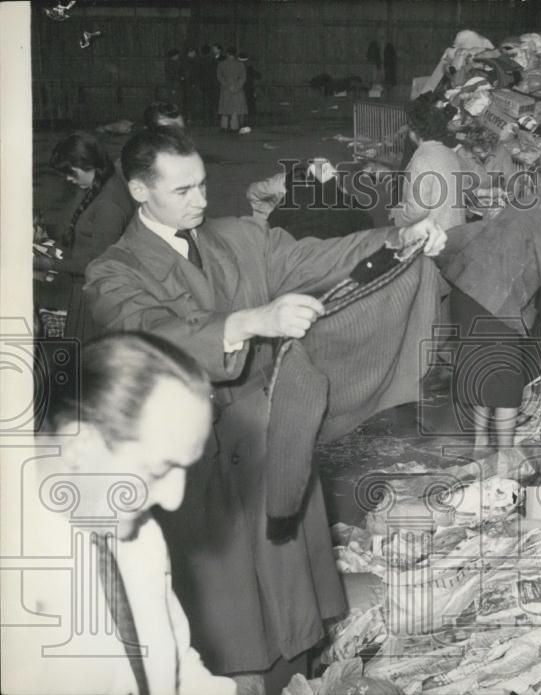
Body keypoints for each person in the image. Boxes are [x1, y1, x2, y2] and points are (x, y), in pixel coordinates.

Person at [83, 126, 446, 694]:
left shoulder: (238, 239)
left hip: (269, 434)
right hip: (195, 459)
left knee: (289, 594)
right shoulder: (112, 272)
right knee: (229, 620)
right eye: (183, 191)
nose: (202, 200)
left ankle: (298, 672)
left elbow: (319, 254)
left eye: (203, 184)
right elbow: (148, 334)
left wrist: (401, 237)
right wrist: (251, 322)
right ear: (137, 190)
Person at [1, 332, 236, 695]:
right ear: (79, 446)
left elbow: (175, 665)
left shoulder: (138, 533)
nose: (174, 500)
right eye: (158, 471)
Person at [439, 173, 541, 450]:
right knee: (507, 386)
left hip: (466, 293)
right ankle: (505, 457)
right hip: (494, 304)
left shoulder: (530, 201)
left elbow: (482, 230)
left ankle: (480, 445)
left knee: (483, 374)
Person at [38, 132, 135, 340]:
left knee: (89, 356)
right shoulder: (96, 184)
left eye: (71, 172)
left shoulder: (109, 204)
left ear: (87, 164)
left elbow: (97, 264)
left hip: (96, 295)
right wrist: (49, 242)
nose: (68, 179)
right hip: (85, 287)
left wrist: (46, 262)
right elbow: (82, 236)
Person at [391, 94, 466, 232]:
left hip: (433, 234)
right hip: (455, 228)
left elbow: (418, 209)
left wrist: (398, 216)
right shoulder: (450, 153)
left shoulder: (422, 161)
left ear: (414, 132)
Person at [216, 47, 247, 134]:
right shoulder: (240, 64)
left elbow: (219, 77)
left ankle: (224, 126)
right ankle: (234, 127)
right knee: (235, 108)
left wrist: (226, 85)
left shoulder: (221, 64)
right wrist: (236, 86)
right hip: (237, 89)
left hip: (225, 89)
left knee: (225, 108)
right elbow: (243, 78)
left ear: (227, 54)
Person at [238, 52, 261, 130]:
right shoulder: (249, 67)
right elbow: (258, 75)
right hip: (249, 89)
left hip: (240, 89)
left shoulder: (237, 67)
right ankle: (250, 122)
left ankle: (240, 122)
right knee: (250, 106)